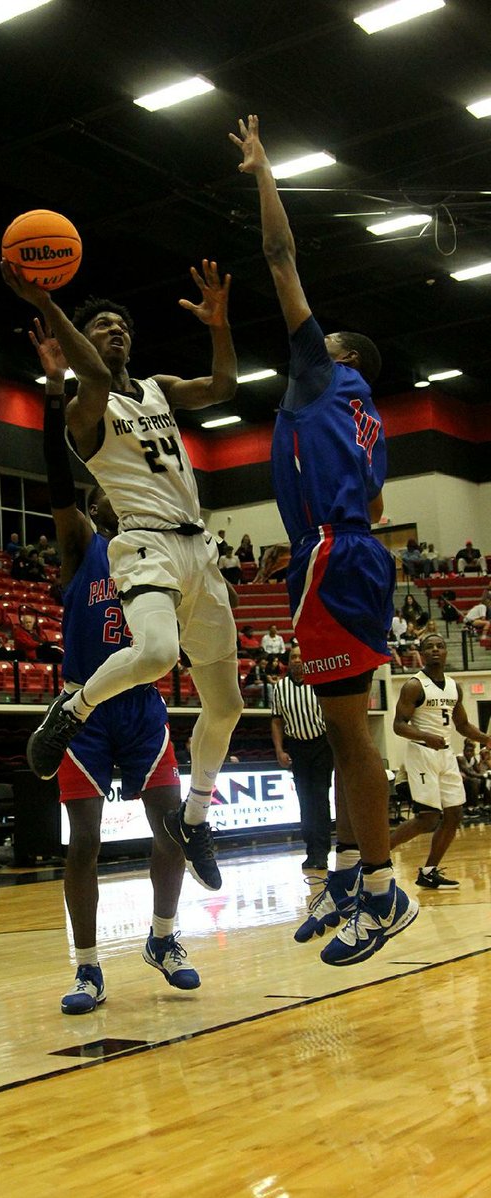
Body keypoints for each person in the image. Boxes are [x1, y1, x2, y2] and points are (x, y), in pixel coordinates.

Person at [229, 112, 417, 965]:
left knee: (352, 739)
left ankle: (382, 889)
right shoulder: (364, 412)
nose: (305, 332)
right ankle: (348, 868)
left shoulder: (322, 371)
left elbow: (280, 257)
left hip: (335, 557)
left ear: (337, 354)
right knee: (346, 740)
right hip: (343, 552)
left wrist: (265, 171)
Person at [2, 254, 243, 894]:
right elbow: (98, 373)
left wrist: (219, 324)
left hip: (200, 549)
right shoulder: (86, 407)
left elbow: (223, 387)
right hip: (144, 545)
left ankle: (196, 820)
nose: (116, 331)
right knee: (159, 652)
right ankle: (71, 708)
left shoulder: (159, 387)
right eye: (102, 325)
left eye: (122, 324)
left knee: (227, 705)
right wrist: (47, 303)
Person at [34, 328, 201, 1012]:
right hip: (85, 708)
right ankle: (85, 967)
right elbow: (55, 474)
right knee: (86, 844)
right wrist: (54, 395)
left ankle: (163, 936)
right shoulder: (82, 544)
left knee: (172, 830)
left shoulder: (157, 552)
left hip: (143, 708)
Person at [391, 632, 491, 888]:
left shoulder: (454, 686)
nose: (435, 650)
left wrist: (486, 739)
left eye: (440, 646)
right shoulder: (414, 685)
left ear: (446, 652)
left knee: (455, 814)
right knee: (427, 818)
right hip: (421, 753)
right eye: (429, 647)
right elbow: (399, 726)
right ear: (422, 654)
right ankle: (374, 855)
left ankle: (429, 871)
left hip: (445, 754)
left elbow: (463, 725)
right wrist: (426, 735)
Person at [271, 646, 334, 869]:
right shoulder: (280, 688)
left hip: (321, 744)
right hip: (297, 747)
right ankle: (311, 850)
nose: (297, 660)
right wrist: (279, 749)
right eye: (293, 657)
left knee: (319, 798)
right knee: (304, 799)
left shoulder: (319, 683)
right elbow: (277, 720)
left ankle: (322, 852)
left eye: (301, 656)